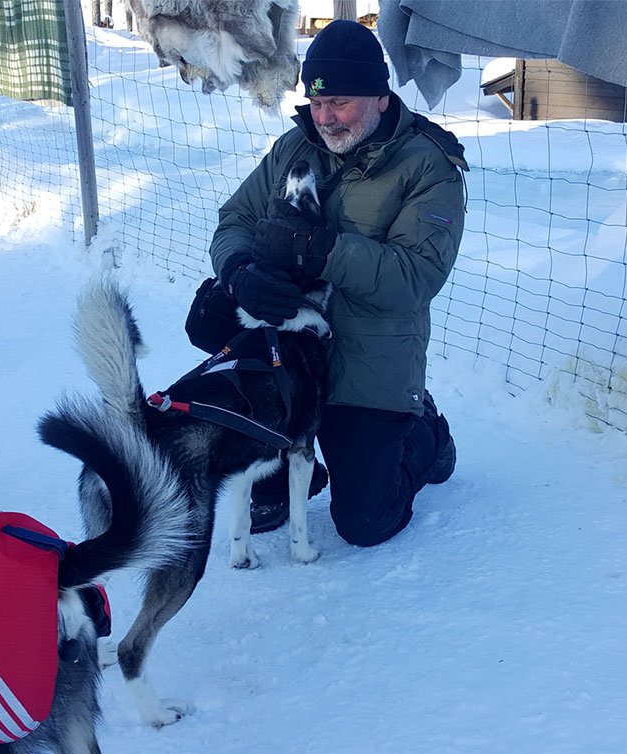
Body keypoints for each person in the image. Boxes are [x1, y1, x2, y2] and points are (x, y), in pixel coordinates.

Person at [185, 19, 467, 547]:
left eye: (338, 101)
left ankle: (426, 428)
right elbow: (235, 220)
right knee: (212, 311)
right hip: (292, 349)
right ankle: (293, 462)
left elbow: (415, 278)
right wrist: (239, 272)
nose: (324, 117)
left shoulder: (429, 167)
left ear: (380, 97)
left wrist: (323, 251)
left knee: (364, 523)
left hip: (368, 357)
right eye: (315, 103)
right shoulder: (296, 145)